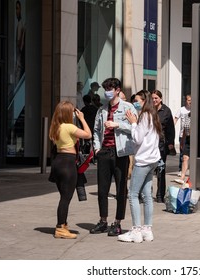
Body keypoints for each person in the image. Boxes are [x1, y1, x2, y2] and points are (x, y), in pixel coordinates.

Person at [90, 77, 137, 236]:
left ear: (117, 90)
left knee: (120, 189)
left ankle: (117, 222)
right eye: (106, 89)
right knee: (102, 189)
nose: (107, 92)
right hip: (104, 152)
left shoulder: (127, 107)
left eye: (110, 88)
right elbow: (96, 130)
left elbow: (135, 128)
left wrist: (117, 124)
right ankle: (103, 220)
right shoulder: (102, 109)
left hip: (121, 152)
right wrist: (97, 148)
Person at [118, 90, 162, 243]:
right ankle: (147, 230)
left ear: (143, 101)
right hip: (152, 160)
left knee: (133, 194)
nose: (135, 102)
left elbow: (137, 138)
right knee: (147, 195)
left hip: (144, 161)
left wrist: (133, 123)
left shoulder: (144, 116)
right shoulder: (153, 115)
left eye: (137, 100)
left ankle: (136, 230)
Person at [48, 101, 92, 238]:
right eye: (72, 112)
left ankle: (63, 224)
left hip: (58, 162)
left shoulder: (55, 127)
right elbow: (88, 134)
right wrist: (82, 119)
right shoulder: (68, 127)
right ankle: (60, 228)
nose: (74, 114)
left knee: (63, 196)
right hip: (68, 163)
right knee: (66, 198)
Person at [151, 90, 175, 203]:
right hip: (149, 145)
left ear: (160, 99)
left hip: (161, 145)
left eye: (156, 98)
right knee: (149, 170)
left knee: (160, 170)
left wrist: (170, 143)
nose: (154, 100)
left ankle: (160, 195)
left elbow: (170, 128)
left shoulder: (166, 111)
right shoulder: (149, 110)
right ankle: (146, 194)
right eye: (153, 98)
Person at [174, 94, 191, 176]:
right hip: (182, 134)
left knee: (188, 154)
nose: (190, 102)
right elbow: (175, 119)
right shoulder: (182, 110)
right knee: (182, 153)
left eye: (191, 100)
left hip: (191, 136)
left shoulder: (194, 109)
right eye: (188, 100)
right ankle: (181, 170)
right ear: (185, 101)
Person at [175, 112, 191, 185]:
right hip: (188, 139)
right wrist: (182, 141)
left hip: (196, 139)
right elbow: (185, 129)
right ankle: (182, 177)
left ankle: (192, 177)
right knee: (184, 158)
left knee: (194, 160)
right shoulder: (188, 115)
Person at [15, 0, 25, 83]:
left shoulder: (20, 24)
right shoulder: (19, 23)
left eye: (18, 8)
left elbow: (19, 43)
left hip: (19, 59)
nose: (16, 11)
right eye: (15, 8)